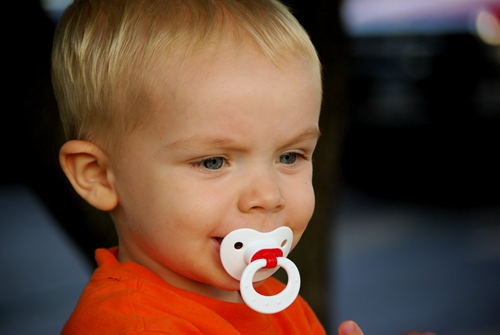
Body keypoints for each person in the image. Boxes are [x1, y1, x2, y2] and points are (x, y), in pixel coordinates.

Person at [52, 0, 433, 334]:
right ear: (99, 176)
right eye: (213, 161)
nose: (268, 196)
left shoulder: (272, 297)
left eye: (290, 156)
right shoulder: (130, 326)